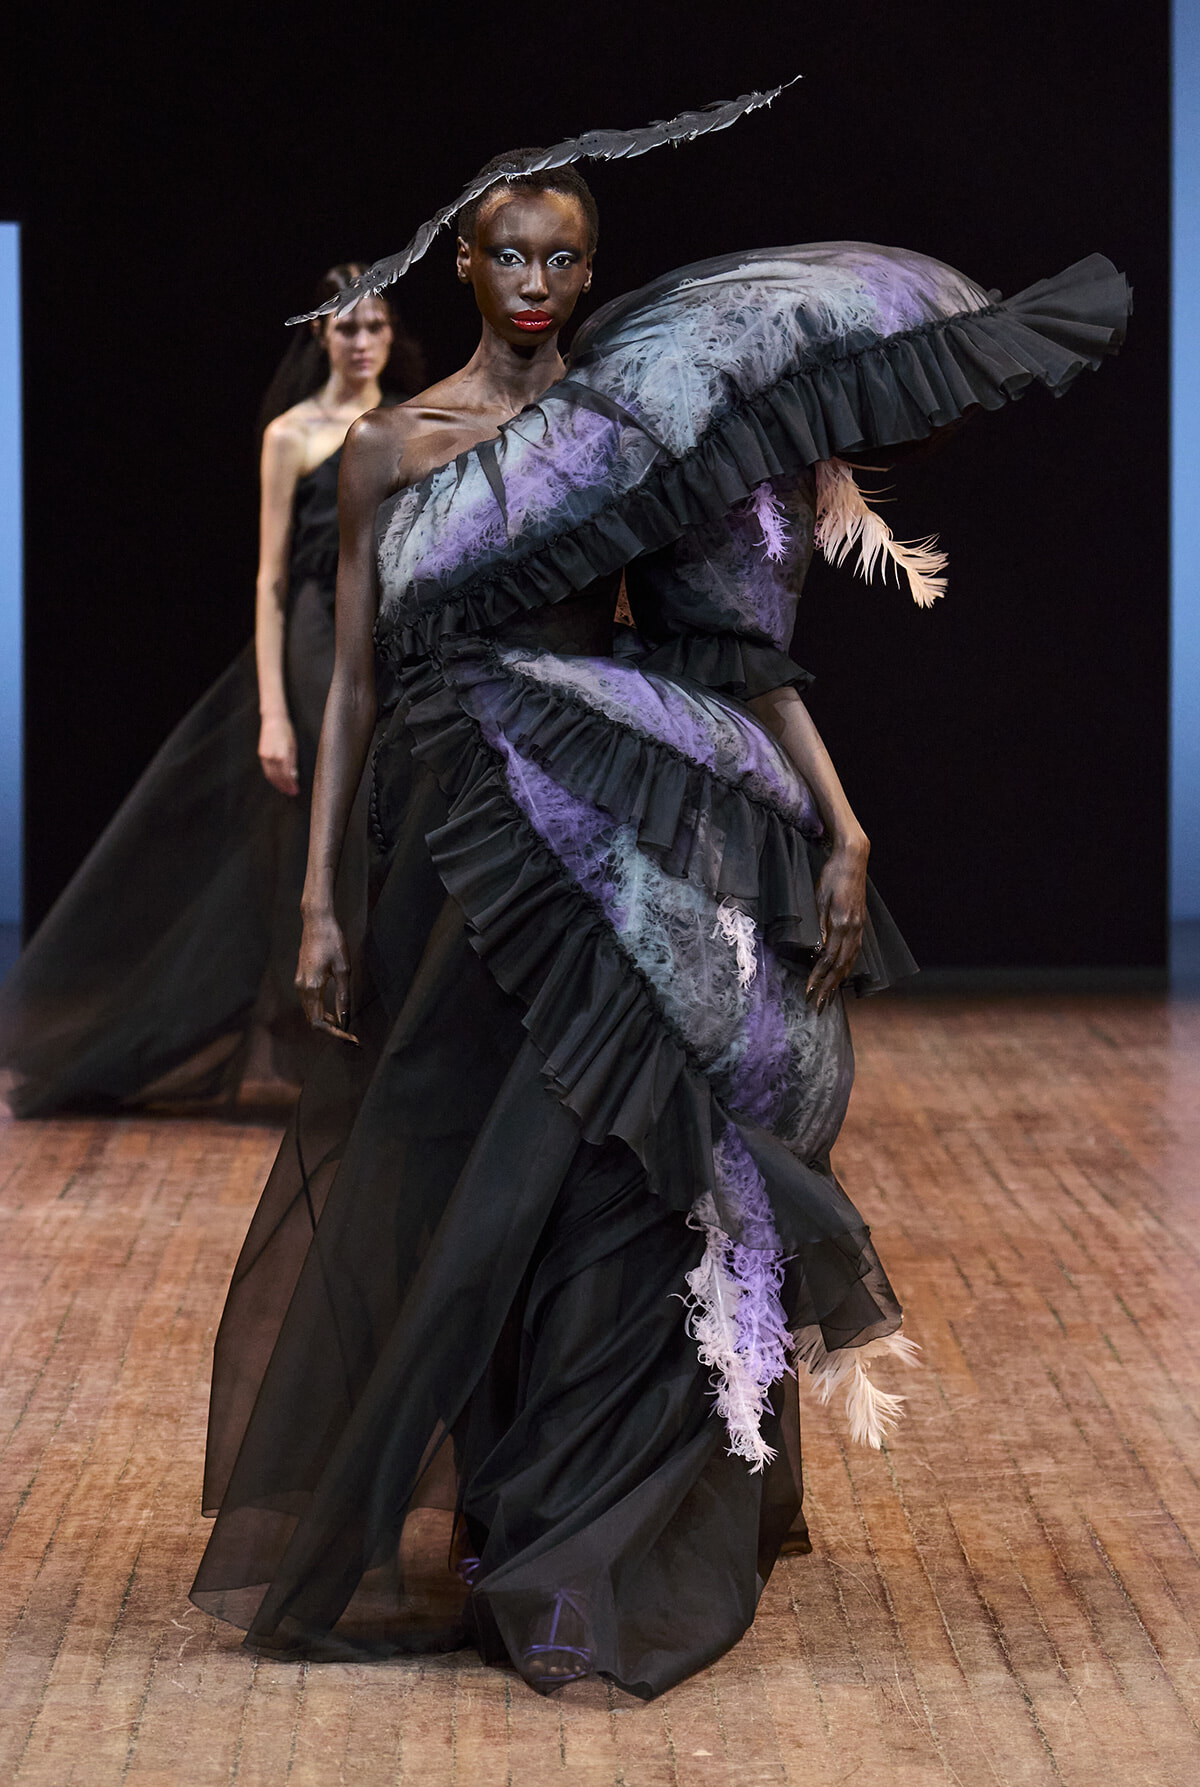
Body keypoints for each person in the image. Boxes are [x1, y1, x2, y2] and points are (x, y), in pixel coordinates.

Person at [190, 106, 1129, 1697]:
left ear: (590, 270)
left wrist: (842, 824)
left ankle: (580, 1527)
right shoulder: (391, 448)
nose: (539, 279)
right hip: (439, 847)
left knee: (593, 1176)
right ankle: (490, 1503)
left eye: (567, 256)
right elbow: (349, 683)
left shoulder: (645, 431)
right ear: (464, 263)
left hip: (600, 823)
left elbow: (729, 654)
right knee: (441, 1170)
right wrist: (318, 903)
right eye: (510, 254)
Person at [0, 266, 423, 1116]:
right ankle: (335, 1054)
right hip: (312, 638)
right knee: (322, 830)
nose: (363, 341)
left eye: (375, 324)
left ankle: (386, 1044)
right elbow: (270, 580)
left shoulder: (410, 423)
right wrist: (272, 708)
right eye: (346, 328)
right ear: (320, 337)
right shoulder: (292, 434)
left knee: (389, 824)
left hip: (390, 635)